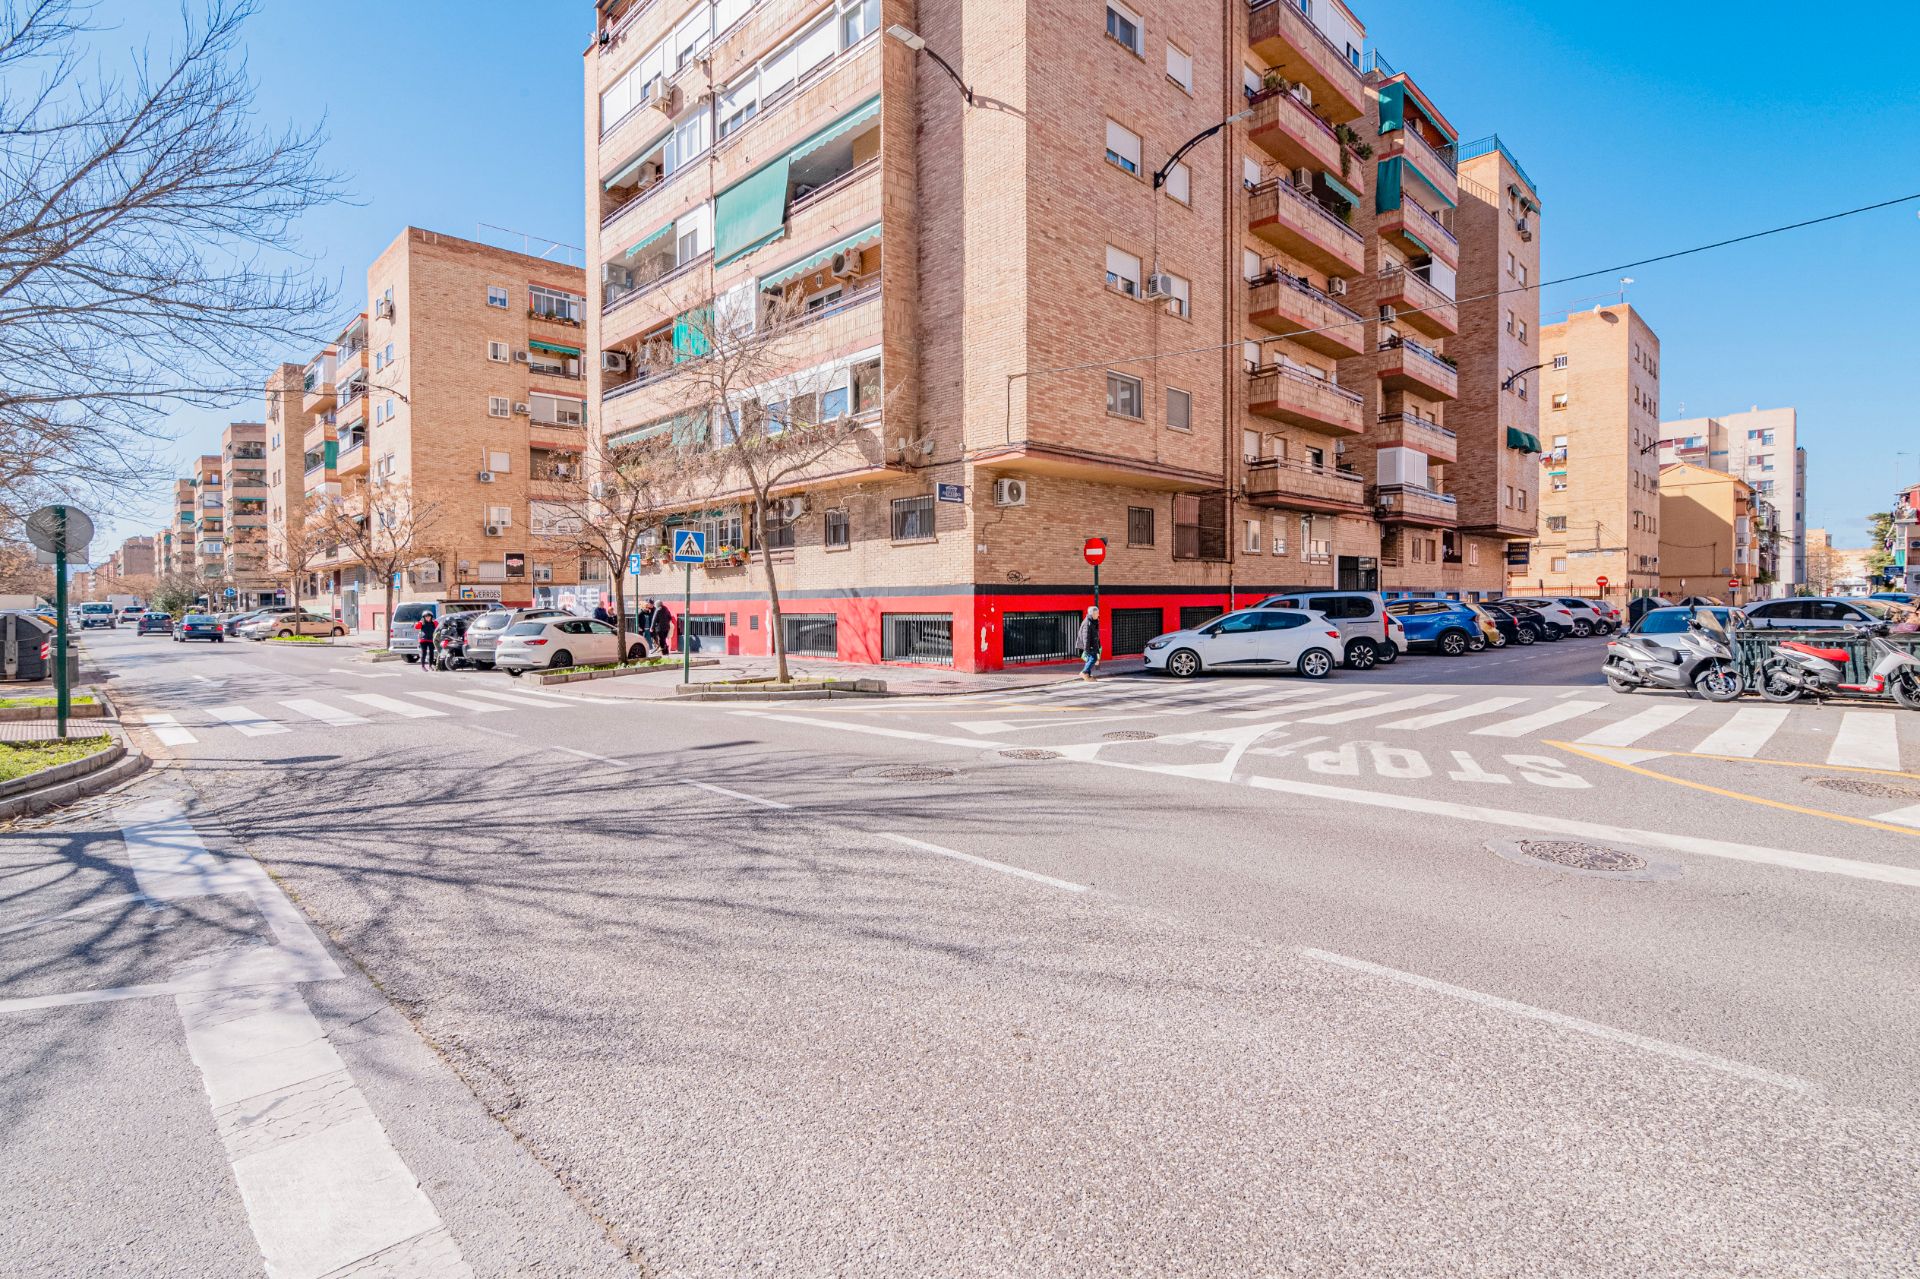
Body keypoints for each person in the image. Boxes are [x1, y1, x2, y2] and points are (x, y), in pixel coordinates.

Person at [1075, 605, 1100, 681]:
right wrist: (1086, 649)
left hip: (1092, 645)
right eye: (1097, 613)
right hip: (1089, 645)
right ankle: (1084, 672)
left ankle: (1087, 676)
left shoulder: (1092, 621)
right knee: (1093, 659)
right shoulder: (1087, 623)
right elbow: (1085, 637)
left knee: (1089, 659)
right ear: (1092, 614)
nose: (1098, 615)